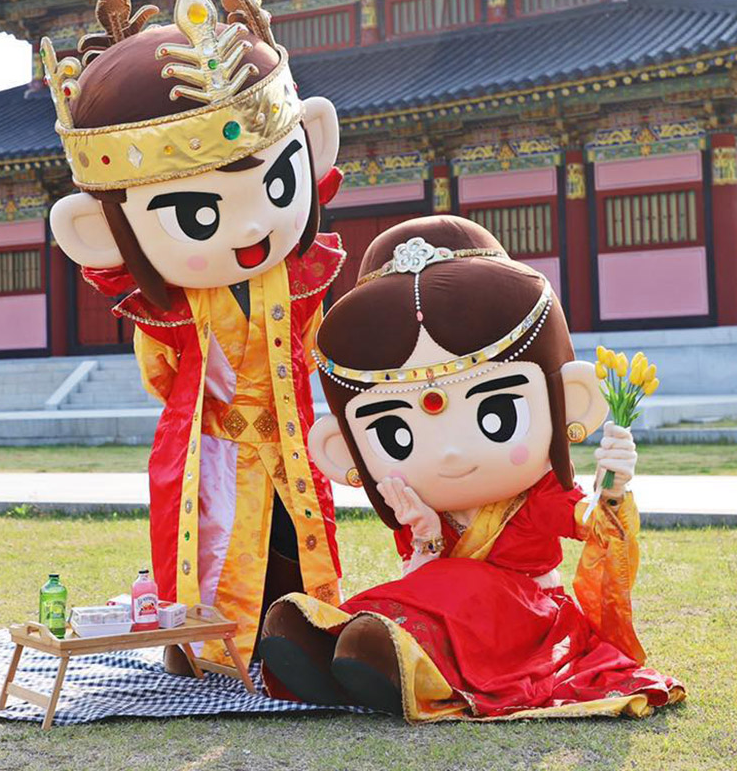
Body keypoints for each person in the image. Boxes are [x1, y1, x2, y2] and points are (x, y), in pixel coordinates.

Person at [259, 215, 684, 719]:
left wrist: (611, 490)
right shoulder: (422, 504)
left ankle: (385, 662)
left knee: (457, 591)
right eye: (396, 433)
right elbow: (421, 578)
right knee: (410, 596)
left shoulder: (539, 497)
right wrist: (424, 534)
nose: (450, 454)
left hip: (526, 619)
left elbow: (594, 526)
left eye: (497, 413)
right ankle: (330, 647)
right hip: (449, 611)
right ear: (343, 450)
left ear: (570, 401)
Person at [44, 0, 345, 668]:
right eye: (197, 213)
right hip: (214, 447)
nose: (251, 228)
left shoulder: (297, 281)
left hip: (289, 437)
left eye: (276, 183)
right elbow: (161, 371)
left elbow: (313, 345)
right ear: (99, 231)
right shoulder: (176, 309)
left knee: (296, 540)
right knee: (216, 545)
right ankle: (211, 642)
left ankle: (305, 629)